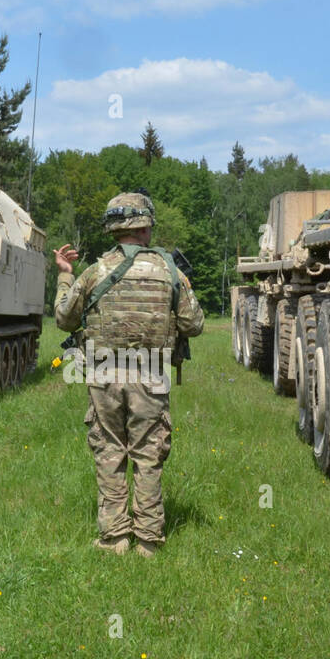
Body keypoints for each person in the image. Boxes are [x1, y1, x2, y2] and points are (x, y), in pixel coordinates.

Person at [54, 192, 204, 557]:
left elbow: (63, 318)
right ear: (146, 225)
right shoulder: (171, 272)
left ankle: (114, 538)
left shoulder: (94, 272)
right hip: (151, 374)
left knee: (109, 450)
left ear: (113, 228)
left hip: (103, 373)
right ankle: (149, 541)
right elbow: (194, 324)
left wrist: (63, 277)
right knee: (148, 453)